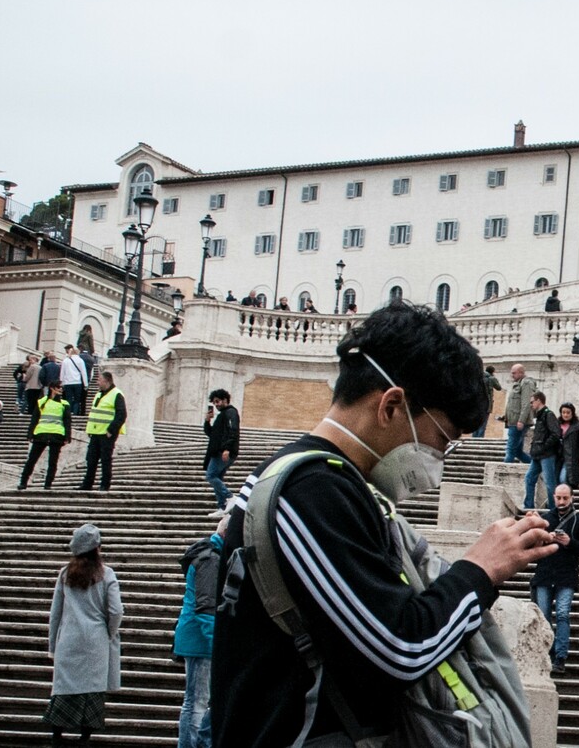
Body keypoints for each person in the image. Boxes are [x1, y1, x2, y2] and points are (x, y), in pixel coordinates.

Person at [211, 301, 558, 747]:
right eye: (441, 441)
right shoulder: (311, 490)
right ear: (391, 406)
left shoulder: (323, 482)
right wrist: (480, 570)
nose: (437, 464)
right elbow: (399, 651)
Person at [45, 524, 123, 748]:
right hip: (96, 639)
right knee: (92, 690)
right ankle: (84, 738)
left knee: (64, 687)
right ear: (97, 548)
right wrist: (108, 632)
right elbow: (116, 611)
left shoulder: (65, 573)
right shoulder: (106, 574)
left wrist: (52, 645)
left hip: (69, 639)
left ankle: (57, 734)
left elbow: (55, 614)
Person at [174, 515, 228, 748]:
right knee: (196, 702)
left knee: (195, 701)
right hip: (199, 639)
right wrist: (216, 644)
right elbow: (206, 608)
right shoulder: (211, 559)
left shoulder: (211, 555)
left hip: (194, 637)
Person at [529, 484, 579, 674]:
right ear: (554, 497)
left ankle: (560, 657)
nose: (562, 502)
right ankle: (545, 655)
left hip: (567, 575)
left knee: (563, 614)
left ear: (572, 498)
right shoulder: (546, 518)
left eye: (565, 498)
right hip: (545, 574)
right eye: (558, 498)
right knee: (543, 617)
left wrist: (570, 542)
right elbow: (532, 545)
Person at [81, 372, 126, 493]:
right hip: (96, 432)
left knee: (105, 459)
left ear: (107, 381)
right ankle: (87, 484)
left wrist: (111, 430)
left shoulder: (117, 394)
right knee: (91, 458)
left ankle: (105, 484)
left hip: (107, 433)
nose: (97, 383)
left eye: (99, 380)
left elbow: (122, 414)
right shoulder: (99, 394)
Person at [23, 383, 73, 491]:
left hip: (56, 434)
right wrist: (30, 433)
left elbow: (67, 421)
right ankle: (23, 482)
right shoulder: (41, 402)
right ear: (52, 388)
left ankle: (48, 484)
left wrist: (67, 437)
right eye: (58, 387)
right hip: (41, 433)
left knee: (53, 462)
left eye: (61, 388)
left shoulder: (64, 404)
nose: (60, 390)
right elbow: (34, 419)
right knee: (32, 460)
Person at [202, 388, 238, 517]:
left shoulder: (230, 413)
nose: (216, 404)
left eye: (218, 401)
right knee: (217, 478)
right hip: (218, 451)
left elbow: (233, 431)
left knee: (211, 476)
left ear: (225, 400)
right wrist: (207, 421)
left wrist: (227, 448)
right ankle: (222, 507)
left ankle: (230, 497)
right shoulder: (222, 416)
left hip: (223, 452)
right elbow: (211, 434)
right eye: (214, 402)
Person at [523, 392, 561, 510]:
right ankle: (528, 506)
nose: (531, 404)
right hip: (537, 454)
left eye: (532, 402)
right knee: (529, 478)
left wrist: (544, 446)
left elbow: (556, 434)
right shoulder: (539, 416)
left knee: (549, 483)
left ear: (539, 401)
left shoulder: (548, 414)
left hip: (547, 454)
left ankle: (553, 509)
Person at [502, 363, 537, 464]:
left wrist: (521, 420)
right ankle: (535, 466)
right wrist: (506, 416)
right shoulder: (517, 384)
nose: (512, 375)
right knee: (517, 451)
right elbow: (514, 404)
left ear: (521, 373)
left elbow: (526, 403)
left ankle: (504, 470)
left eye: (514, 373)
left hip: (518, 422)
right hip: (513, 421)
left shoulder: (526, 383)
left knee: (510, 449)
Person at [556, 403, 579, 489]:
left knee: (563, 478)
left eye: (568, 412)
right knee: (556, 481)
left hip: (571, 457)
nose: (565, 415)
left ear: (572, 413)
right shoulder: (556, 424)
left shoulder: (577, 425)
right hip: (557, 456)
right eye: (563, 412)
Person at [472, 365, 502, 438]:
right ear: (492, 372)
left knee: (476, 423)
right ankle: (479, 440)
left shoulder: (478, 378)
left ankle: (473, 440)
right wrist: (494, 377)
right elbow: (499, 388)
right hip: (486, 404)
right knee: (483, 424)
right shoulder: (491, 379)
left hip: (477, 404)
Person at [60, 345, 89, 417]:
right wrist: (85, 384)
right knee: (77, 399)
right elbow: (83, 373)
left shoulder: (65, 360)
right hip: (77, 382)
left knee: (68, 398)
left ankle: (68, 412)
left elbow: (62, 372)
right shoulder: (80, 360)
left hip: (67, 382)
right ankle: (75, 413)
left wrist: (61, 382)